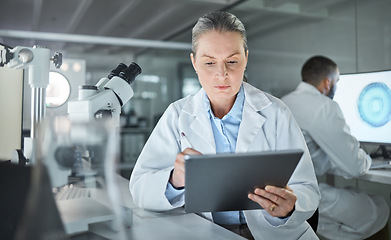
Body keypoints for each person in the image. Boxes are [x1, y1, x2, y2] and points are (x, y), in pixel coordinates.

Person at [130, 12, 320, 240]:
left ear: (246, 59)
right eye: (209, 63)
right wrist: (175, 180)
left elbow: (307, 188)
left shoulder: (275, 112)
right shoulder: (177, 115)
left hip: (273, 233)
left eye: (232, 61)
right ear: (194, 63)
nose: (222, 74)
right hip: (207, 232)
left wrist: (287, 209)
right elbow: (140, 187)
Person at [281, 55, 390, 240]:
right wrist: (369, 159)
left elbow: (309, 153)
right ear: (328, 82)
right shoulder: (324, 106)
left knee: (345, 208)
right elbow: (355, 167)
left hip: (284, 195)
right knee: (379, 208)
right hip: (302, 196)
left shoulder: (284, 101)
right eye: (337, 81)